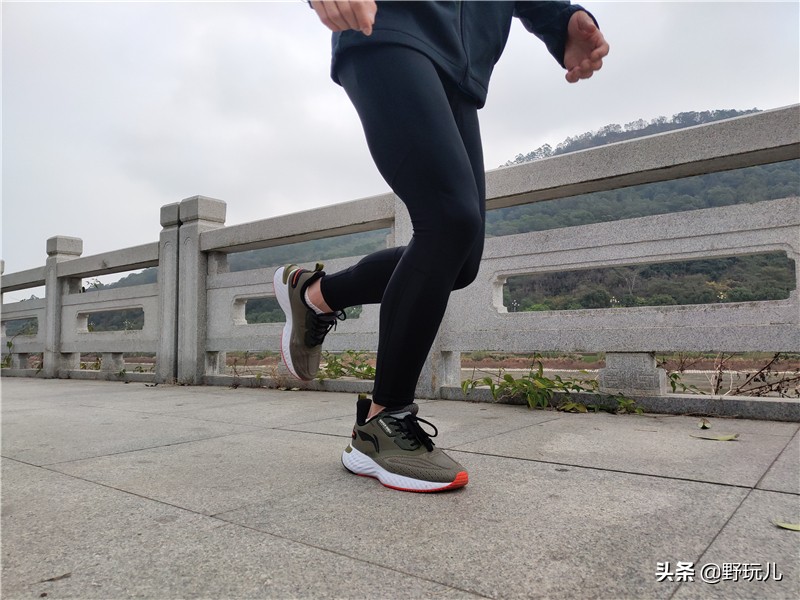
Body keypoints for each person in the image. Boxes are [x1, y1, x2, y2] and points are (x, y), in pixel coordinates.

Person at [274, 0, 609, 492]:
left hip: (460, 66)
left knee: (462, 259)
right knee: (448, 220)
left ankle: (316, 294)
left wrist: (560, 20)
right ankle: (382, 423)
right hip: (390, 26)